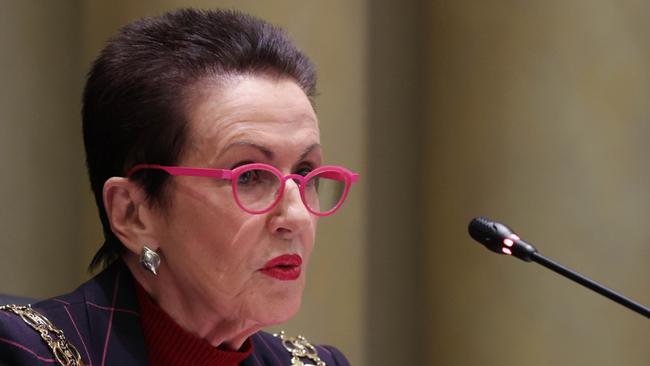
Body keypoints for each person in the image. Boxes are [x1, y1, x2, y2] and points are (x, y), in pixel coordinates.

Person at [0, 8, 357, 365]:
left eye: (304, 171)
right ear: (133, 214)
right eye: (249, 175)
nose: (295, 216)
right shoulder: (23, 353)